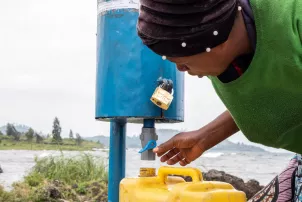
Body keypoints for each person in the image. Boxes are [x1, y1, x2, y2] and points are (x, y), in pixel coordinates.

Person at [136, 0, 302, 201]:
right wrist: (205, 137)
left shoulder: (292, 17)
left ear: (216, 42)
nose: (181, 70)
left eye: (184, 63)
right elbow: (280, 96)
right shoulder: (224, 53)